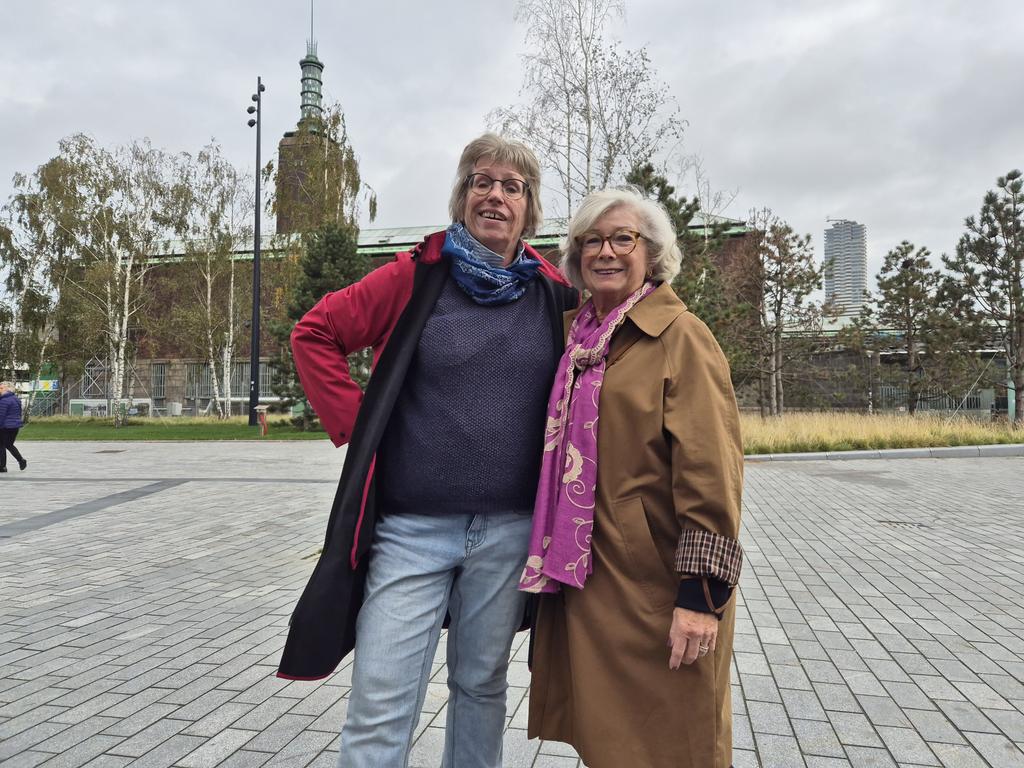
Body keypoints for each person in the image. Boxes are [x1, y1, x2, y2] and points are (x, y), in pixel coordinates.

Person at [277, 133, 578, 768]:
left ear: (530, 208)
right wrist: (360, 426)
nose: (495, 194)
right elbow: (316, 332)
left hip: (507, 533)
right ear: (463, 195)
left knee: (480, 686)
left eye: (512, 186)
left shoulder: (551, 292)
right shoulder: (417, 275)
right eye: (481, 181)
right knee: (382, 699)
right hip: (412, 530)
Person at [520, 187, 744, 768]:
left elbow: (712, 471)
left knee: (672, 740)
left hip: (657, 583)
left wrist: (701, 595)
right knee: (609, 741)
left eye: (624, 238)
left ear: (652, 254)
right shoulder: (580, 339)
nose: (607, 251)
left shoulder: (679, 336)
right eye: (591, 241)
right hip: (590, 579)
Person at [0, 382, 27, 473]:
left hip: (5, 427)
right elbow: (19, 414)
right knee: (9, 445)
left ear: (7, 389)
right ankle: (21, 460)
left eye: (1, 388)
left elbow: (1, 416)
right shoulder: (16, 399)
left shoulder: (3, 400)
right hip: (15, 426)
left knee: (1, 446)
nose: (0, 390)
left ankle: (2, 467)